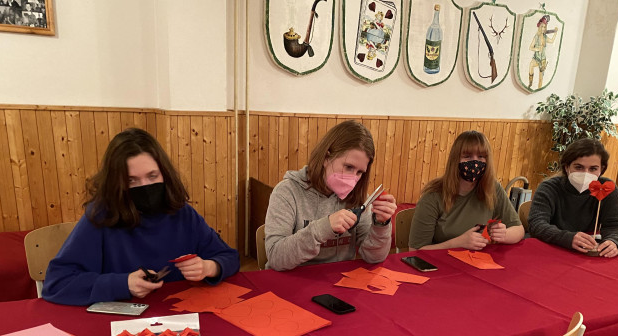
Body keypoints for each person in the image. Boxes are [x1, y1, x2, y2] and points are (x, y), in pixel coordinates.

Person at [42, 128, 240, 305]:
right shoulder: (101, 216)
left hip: (179, 316)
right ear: (116, 183)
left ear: (164, 174)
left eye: (152, 176)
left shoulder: (182, 213)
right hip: (120, 321)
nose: (145, 187)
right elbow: (57, 283)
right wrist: (123, 284)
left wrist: (209, 267)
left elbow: (229, 257)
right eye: (131, 180)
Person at [265, 120, 397, 271]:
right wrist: (324, 228)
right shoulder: (287, 191)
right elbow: (276, 258)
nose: (353, 178)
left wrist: (381, 224)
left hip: (339, 279)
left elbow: (373, 257)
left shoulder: (358, 198)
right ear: (326, 158)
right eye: (348, 167)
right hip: (293, 277)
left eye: (359, 172)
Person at [409, 130, 524, 250]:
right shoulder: (433, 195)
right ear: (455, 160)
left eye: (481, 156)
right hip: (441, 260)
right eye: (467, 156)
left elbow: (519, 229)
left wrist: (504, 235)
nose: (475, 162)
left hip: (479, 259)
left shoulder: (492, 188)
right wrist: (458, 243)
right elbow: (414, 250)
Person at [528, 138, 618, 257]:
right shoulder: (549, 188)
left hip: (587, 252)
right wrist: (567, 238)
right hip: (551, 251)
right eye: (578, 167)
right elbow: (536, 224)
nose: (586, 173)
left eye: (593, 169)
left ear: (601, 169)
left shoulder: (606, 188)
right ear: (567, 167)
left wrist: (615, 242)